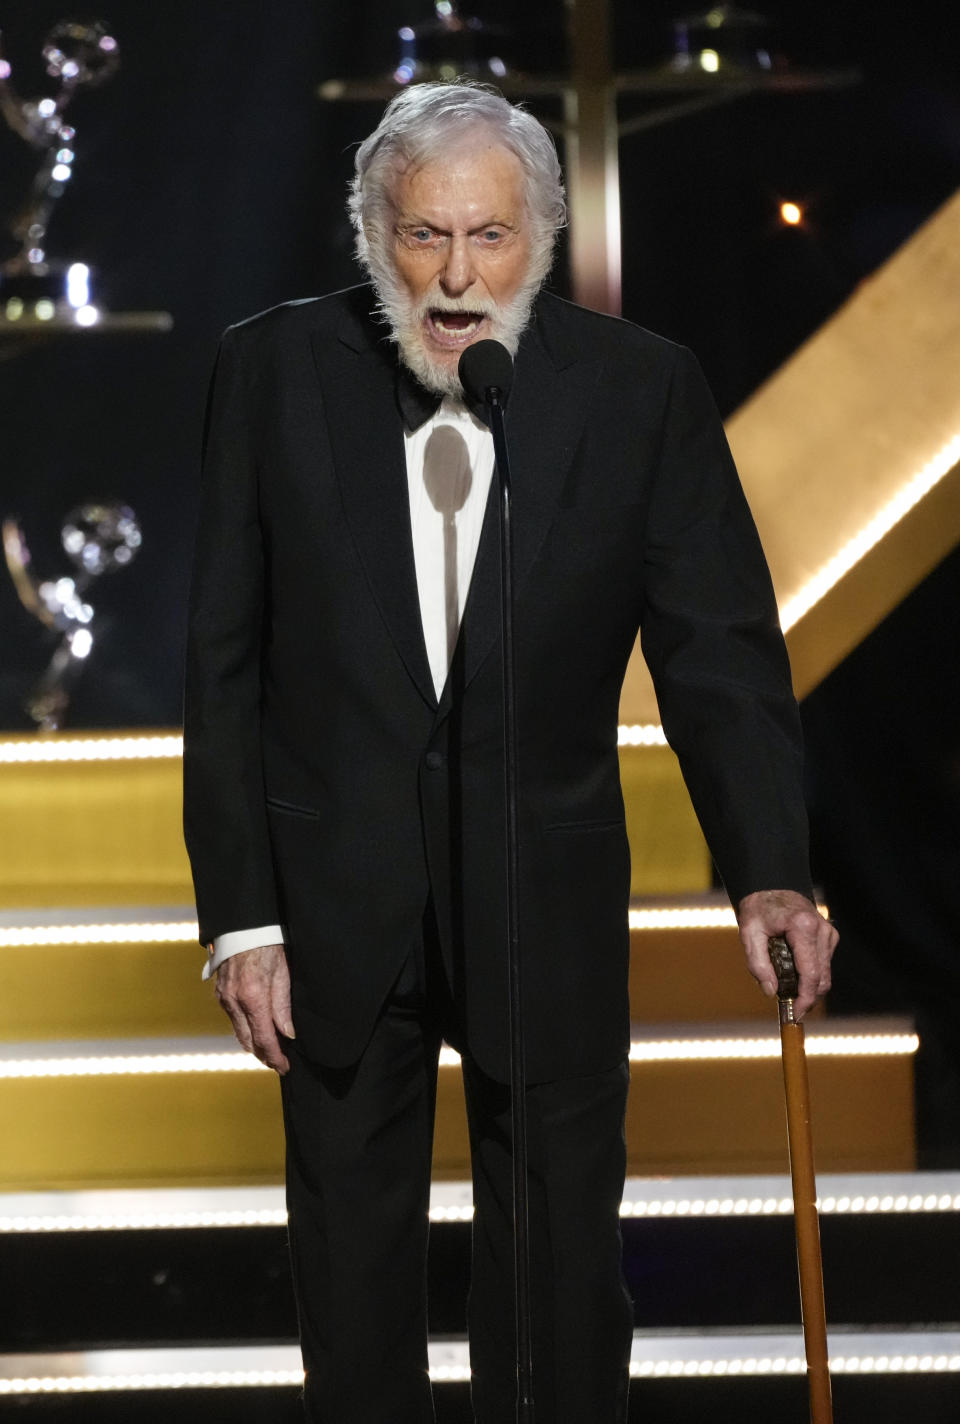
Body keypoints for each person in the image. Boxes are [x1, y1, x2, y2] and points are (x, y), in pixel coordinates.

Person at [183, 81, 838, 1424]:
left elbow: (715, 654)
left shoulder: (637, 390)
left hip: (545, 901)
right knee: (352, 1272)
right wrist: (242, 916)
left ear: (541, 235)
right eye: (423, 238)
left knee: (558, 1272)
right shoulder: (272, 373)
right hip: (332, 910)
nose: (456, 278)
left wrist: (768, 868)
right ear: (372, 235)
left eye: (488, 239)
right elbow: (224, 667)